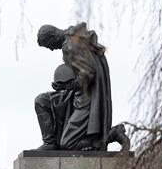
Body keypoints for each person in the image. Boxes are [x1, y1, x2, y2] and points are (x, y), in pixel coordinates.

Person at [35, 22, 112, 151]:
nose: (52, 49)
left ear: (53, 37)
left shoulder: (70, 46)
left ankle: (104, 139)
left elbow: (89, 74)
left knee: (67, 144)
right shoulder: (74, 36)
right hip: (76, 95)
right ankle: (49, 143)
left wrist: (66, 86)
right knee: (42, 100)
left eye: (49, 46)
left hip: (85, 103)